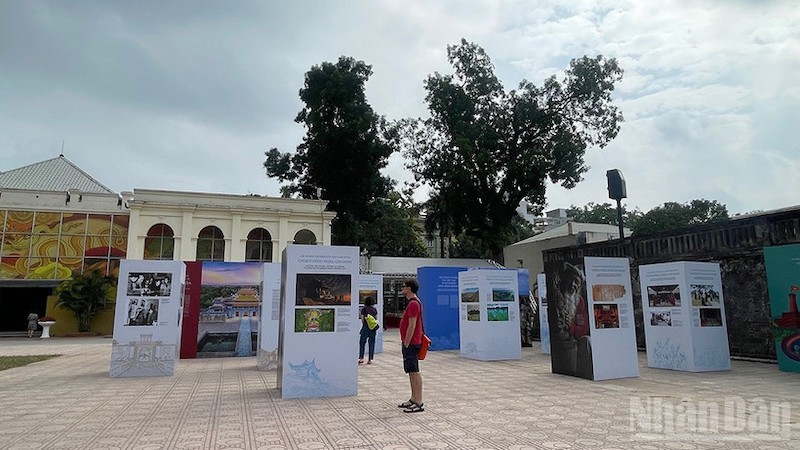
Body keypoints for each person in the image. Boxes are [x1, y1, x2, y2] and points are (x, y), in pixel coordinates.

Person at [398, 279, 424, 413]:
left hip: (412, 343)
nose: (402, 288)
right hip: (410, 342)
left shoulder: (414, 304)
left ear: (409, 288)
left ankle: (418, 401)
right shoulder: (412, 303)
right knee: (410, 371)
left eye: (404, 286)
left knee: (414, 371)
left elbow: (412, 325)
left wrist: (407, 342)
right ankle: (413, 398)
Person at [358, 297, 379, 365]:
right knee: (371, 343)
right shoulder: (374, 310)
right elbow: (376, 319)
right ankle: (370, 359)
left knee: (362, 343)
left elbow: (362, 319)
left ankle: (361, 358)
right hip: (373, 329)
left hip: (365, 328)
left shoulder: (364, 309)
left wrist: (365, 324)